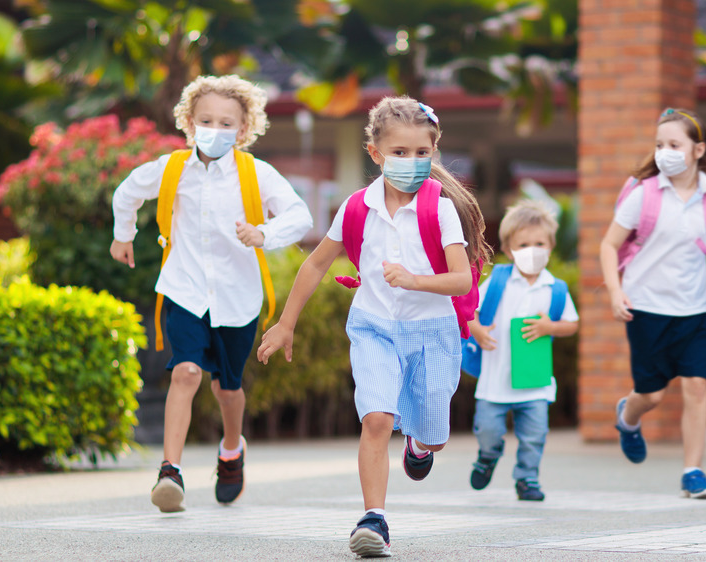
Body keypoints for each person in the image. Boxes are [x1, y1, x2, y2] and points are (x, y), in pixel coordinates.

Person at [257, 96, 490, 557]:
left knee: (434, 434)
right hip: (374, 327)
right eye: (400, 153)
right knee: (378, 418)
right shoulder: (357, 207)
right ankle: (373, 521)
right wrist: (286, 323)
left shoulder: (439, 209)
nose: (411, 162)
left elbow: (462, 277)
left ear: (434, 152)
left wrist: (415, 280)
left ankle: (420, 448)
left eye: (422, 153)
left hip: (433, 333)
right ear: (375, 154)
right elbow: (316, 264)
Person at [110, 75, 313, 513]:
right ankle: (170, 472)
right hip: (184, 289)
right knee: (185, 372)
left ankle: (231, 449)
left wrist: (264, 233)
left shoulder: (255, 174)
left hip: (237, 298)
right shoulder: (171, 169)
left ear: (243, 130)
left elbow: (299, 215)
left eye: (226, 123)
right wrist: (122, 235)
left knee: (227, 388)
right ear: (188, 121)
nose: (215, 129)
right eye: (206, 120)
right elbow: (127, 192)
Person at [599, 107, 706, 499]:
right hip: (646, 307)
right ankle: (628, 418)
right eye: (660, 144)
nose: (665, 151)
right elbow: (609, 245)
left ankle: (693, 471)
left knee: (697, 387)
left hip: (695, 310)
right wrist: (616, 292)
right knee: (651, 395)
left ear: (698, 150)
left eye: (674, 144)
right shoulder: (644, 195)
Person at [467, 200, 579, 501]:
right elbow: (469, 310)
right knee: (488, 430)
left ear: (551, 246)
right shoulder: (498, 281)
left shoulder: (555, 288)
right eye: (524, 244)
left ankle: (527, 479)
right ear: (509, 248)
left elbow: (571, 324)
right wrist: (476, 330)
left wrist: (551, 327)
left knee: (534, 436)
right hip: (495, 380)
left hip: (535, 381)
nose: (533, 249)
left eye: (539, 243)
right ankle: (488, 456)